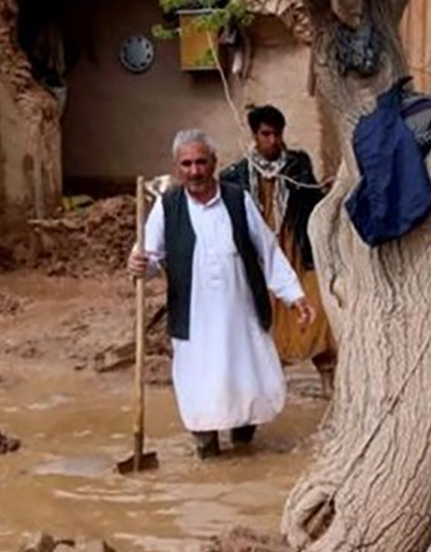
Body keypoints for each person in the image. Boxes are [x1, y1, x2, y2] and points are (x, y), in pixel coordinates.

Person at [128, 129, 315, 459]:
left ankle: (244, 445)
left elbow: (268, 252)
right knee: (200, 390)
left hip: (240, 317)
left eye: (201, 162)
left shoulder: (237, 199)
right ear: (177, 168)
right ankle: (207, 450)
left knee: (246, 388)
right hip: (194, 320)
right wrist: (139, 264)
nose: (195, 171)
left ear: (213, 163)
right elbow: (150, 258)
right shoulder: (166, 207)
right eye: (187, 164)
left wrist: (294, 296)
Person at [220, 105, 337, 397]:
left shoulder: (297, 166)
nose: (272, 140)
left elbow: (312, 204)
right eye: (266, 134)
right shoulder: (235, 175)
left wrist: (328, 193)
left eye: (277, 133)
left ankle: (327, 381)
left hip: (296, 251)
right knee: (263, 321)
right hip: (258, 259)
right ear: (255, 135)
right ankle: (269, 388)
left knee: (315, 309)